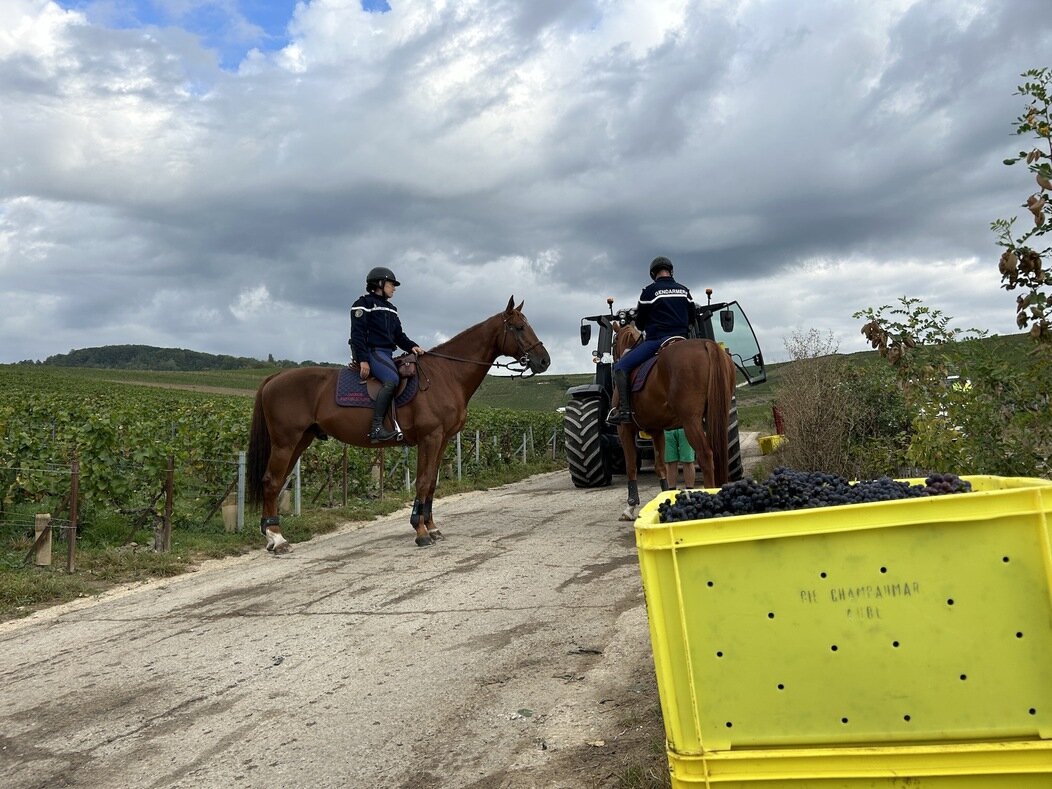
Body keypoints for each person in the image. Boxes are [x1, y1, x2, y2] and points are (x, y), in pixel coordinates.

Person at [608, 256, 696, 424]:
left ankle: (625, 411)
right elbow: (692, 318)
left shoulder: (649, 292)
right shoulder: (684, 290)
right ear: (671, 271)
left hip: (657, 340)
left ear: (653, 274)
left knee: (621, 366)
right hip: (682, 339)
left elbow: (640, 323)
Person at [349, 267, 426, 442]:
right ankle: (376, 428)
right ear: (379, 283)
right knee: (391, 380)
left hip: (386, 353)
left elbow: (399, 336)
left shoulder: (391, 308)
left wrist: (413, 346)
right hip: (373, 352)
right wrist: (363, 360)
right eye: (391, 284)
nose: (394, 288)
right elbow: (357, 335)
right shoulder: (363, 304)